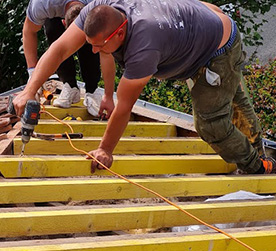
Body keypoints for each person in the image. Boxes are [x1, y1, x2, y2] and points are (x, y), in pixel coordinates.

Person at [15, 0, 276, 174]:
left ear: (119, 33)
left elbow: (124, 107)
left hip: (218, 49)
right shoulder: (97, 9)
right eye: (90, 43)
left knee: (211, 123)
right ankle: (256, 147)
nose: (93, 50)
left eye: (99, 45)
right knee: (232, 95)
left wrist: (105, 149)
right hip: (202, 20)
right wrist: (29, 90)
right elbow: (59, 48)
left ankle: (257, 167)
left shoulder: (144, 45)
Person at [23, 0, 113, 115]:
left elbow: (106, 52)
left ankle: (92, 90)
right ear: (64, 23)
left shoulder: (100, 4)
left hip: (91, 12)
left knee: (93, 33)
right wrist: (32, 75)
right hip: (54, 14)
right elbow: (29, 31)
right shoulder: (43, 4)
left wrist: (108, 96)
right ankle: (69, 85)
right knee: (52, 28)